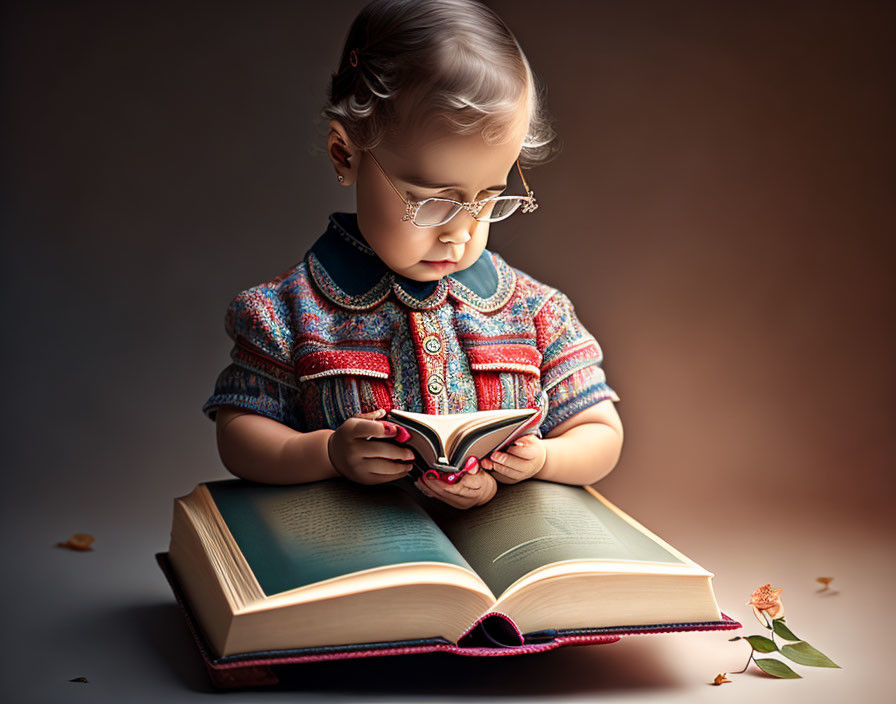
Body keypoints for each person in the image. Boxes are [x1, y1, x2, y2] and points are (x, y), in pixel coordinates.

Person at [203, 0, 623, 509]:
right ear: (346, 153)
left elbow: (600, 431)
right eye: (433, 202)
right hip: (360, 556)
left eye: (488, 199)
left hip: (493, 554)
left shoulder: (537, 314)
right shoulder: (287, 313)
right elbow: (239, 435)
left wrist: (543, 461)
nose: (461, 233)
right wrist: (328, 452)